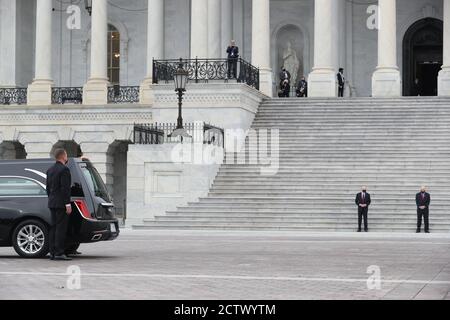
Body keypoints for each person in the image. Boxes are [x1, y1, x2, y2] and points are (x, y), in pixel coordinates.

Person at [46, 148, 73, 261]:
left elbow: (48, 188)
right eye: (66, 156)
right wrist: (67, 204)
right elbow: (65, 189)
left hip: (52, 202)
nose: (67, 158)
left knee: (53, 228)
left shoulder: (50, 170)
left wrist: (52, 198)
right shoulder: (64, 170)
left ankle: (52, 252)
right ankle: (59, 252)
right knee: (61, 229)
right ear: (63, 156)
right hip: (61, 203)